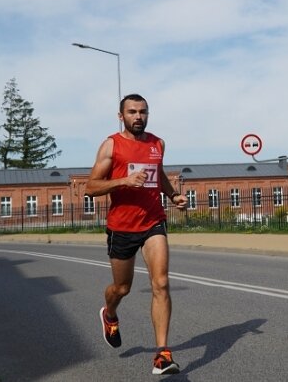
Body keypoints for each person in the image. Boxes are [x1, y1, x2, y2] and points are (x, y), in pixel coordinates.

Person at [85, 93, 186, 375]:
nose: (138, 116)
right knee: (122, 288)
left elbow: (160, 174)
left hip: (153, 221)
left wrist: (173, 194)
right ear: (121, 116)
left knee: (161, 283)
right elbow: (90, 187)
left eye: (143, 112)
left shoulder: (157, 143)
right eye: (132, 112)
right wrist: (124, 181)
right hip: (122, 226)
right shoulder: (111, 145)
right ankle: (110, 313)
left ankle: (162, 355)